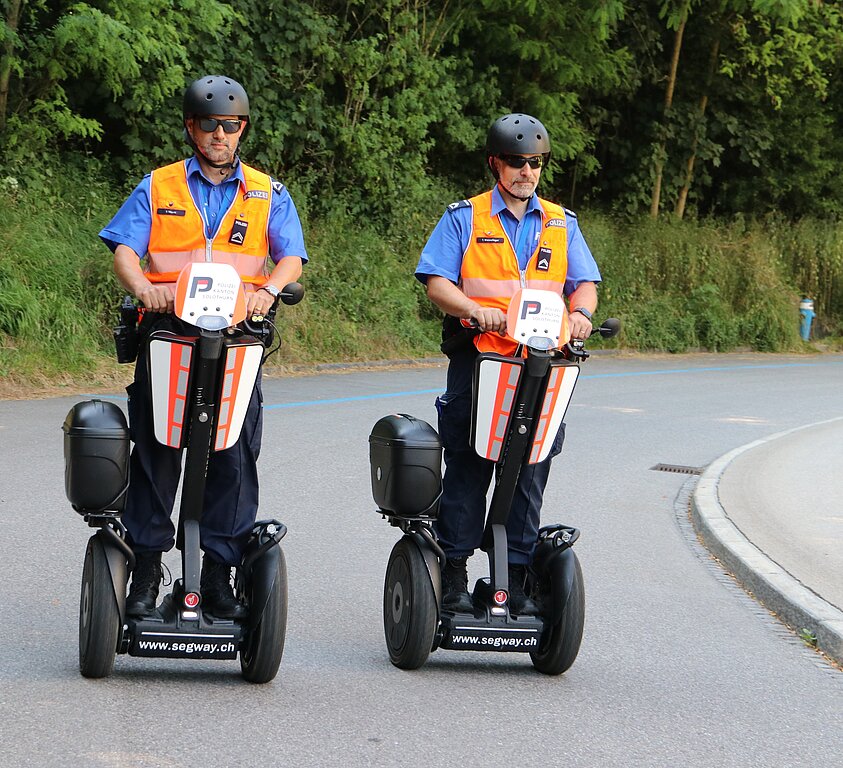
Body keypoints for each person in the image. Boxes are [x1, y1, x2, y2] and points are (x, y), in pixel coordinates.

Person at [99, 75, 307, 620]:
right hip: (169, 336)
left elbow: (291, 259)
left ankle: (217, 573)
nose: (220, 134)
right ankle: (146, 567)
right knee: (157, 451)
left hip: (237, 340)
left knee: (233, 454)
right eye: (209, 125)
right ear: (192, 129)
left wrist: (268, 291)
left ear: (242, 130)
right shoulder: (159, 186)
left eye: (230, 125)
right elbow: (124, 247)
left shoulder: (267, 192)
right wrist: (141, 286)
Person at [415, 113, 601, 615]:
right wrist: (472, 309)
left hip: (542, 365)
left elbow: (583, 283)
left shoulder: (562, 223)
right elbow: (437, 281)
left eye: (535, 163)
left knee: (529, 468)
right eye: (517, 162)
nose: (526, 172)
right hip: (481, 360)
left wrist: (581, 314)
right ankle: (453, 573)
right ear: (495, 163)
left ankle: (514, 576)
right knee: (470, 467)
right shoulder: (464, 218)